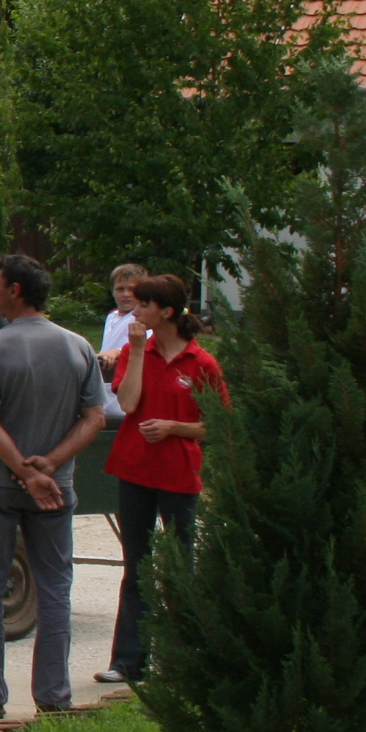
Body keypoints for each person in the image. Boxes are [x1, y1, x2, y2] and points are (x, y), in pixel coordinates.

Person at [0, 254, 108, 719]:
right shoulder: (78, 347)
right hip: (56, 488)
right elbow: (95, 417)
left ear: (16, 291)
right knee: (54, 587)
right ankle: (53, 694)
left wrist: (24, 472)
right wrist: (51, 465)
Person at [98, 274, 221, 685]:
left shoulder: (201, 364)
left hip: (180, 475)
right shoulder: (139, 352)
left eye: (144, 305)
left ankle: (185, 657)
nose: (136, 310)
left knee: (179, 564)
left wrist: (174, 427)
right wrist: (134, 351)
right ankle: (128, 662)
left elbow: (219, 425)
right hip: (135, 469)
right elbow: (128, 402)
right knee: (138, 565)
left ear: (166, 311)